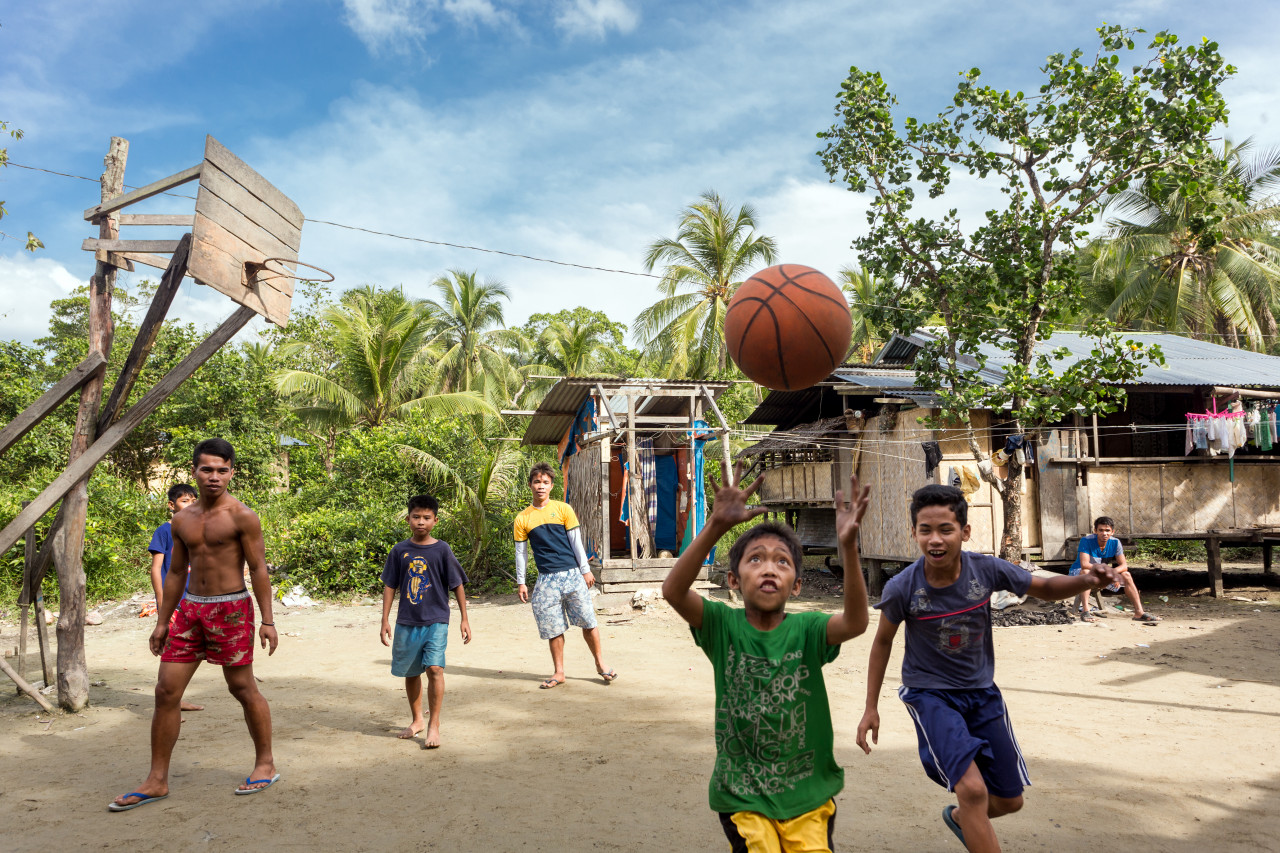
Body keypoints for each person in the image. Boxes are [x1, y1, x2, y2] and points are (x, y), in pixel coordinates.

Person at [856, 484, 1121, 852]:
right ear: (913, 532)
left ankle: (963, 819)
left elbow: (1043, 586)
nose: (935, 539)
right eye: (925, 530)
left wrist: (1086, 580)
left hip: (982, 694)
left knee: (1010, 800)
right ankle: (970, 811)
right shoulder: (904, 587)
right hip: (930, 695)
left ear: (964, 532)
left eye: (946, 529)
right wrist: (871, 707)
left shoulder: (985, 570)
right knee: (973, 790)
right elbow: (882, 641)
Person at [663, 462, 872, 852]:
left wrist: (848, 547)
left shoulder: (808, 630)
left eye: (783, 561)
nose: (769, 569)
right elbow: (673, 592)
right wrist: (716, 527)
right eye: (755, 559)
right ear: (733, 580)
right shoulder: (721, 625)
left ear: (796, 585)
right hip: (743, 793)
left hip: (807, 793)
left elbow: (857, 622)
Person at [109, 438, 280, 811]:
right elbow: (174, 572)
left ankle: (265, 762)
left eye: (222, 470)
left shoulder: (242, 516)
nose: (214, 477)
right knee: (165, 692)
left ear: (232, 472)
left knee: (241, 687)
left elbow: (258, 569)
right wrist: (163, 621)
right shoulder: (181, 519)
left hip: (230, 609)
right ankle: (156, 780)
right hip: (189, 610)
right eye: (207, 470)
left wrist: (267, 620)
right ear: (194, 472)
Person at [380, 494, 471, 748]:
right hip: (407, 621)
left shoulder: (442, 549)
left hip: (437, 620)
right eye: (416, 517)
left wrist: (464, 618)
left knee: (434, 669)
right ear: (408, 519)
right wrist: (384, 620)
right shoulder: (399, 551)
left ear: (435, 520)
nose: (421, 522)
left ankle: (434, 724)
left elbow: (457, 584)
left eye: (426, 518)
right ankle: (418, 719)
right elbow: (390, 585)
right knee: (411, 672)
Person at [514, 461, 615, 688]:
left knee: (588, 621)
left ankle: (600, 664)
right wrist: (521, 582)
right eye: (537, 482)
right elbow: (521, 552)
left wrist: (585, 570)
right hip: (546, 579)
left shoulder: (563, 509)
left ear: (551, 486)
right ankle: (559, 672)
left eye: (545, 482)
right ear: (530, 485)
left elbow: (576, 543)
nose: (541, 486)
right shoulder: (523, 518)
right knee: (553, 626)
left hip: (572, 575)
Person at [147, 483, 204, 714]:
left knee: (192, 653)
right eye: (184, 501)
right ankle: (167, 706)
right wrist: (163, 607)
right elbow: (156, 569)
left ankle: (175, 699)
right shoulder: (164, 531)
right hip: (174, 604)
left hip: (196, 601)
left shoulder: (198, 529)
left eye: (193, 501)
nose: (190, 505)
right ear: (171, 505)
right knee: (171, 653)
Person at [1071, 516, 1160, 624]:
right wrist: (1107, 573)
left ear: (1112, 532)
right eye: (1101, 530)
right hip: (1078, 574)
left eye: (1107, 530)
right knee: (1085, 572)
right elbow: (1085, 565)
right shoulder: (1086, 541)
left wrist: (1112, 573)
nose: (1104, 533)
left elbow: (1124, 566)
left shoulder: (1115, 543)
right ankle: (1085, 611)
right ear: (1095, 531)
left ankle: (1139, 612)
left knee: (1126, 575)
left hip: (1102, 575)